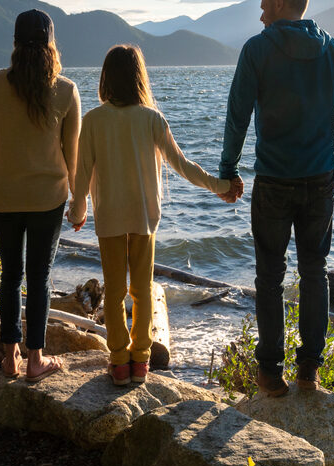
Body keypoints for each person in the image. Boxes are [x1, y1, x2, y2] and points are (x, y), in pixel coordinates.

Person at [218, 0, 334, 397]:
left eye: (264, 7)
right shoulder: (333, 50)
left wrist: (228, 168)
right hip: (320, 180)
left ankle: (269, 372)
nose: (261, 16)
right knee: (314, 272)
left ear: (280, 4)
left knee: (269, 275)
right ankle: (309, 371)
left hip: (275, 180)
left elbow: (237, 114)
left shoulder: (257, 49)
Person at [70, 45, 232, 386]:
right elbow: (183, 165)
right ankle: (140, 362)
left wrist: (78, 209)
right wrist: (220, 186)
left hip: (110, 218)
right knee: (142, 291)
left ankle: (118, 363)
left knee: (113, 292)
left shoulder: (95, 120)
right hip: (144, 217)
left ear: (106, 78)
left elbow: (82, 174)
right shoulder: (152, 118)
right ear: (139, 77)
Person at [0, 9, 80, 382]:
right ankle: (35, 360)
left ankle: (10, 358)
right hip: (48, 197)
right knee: (39, 277)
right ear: (51, 45)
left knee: (11, 275)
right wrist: (80, 200)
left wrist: (6, 180)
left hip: (4, 194)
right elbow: (73, 156)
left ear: (15, 44)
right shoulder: (67, 90)